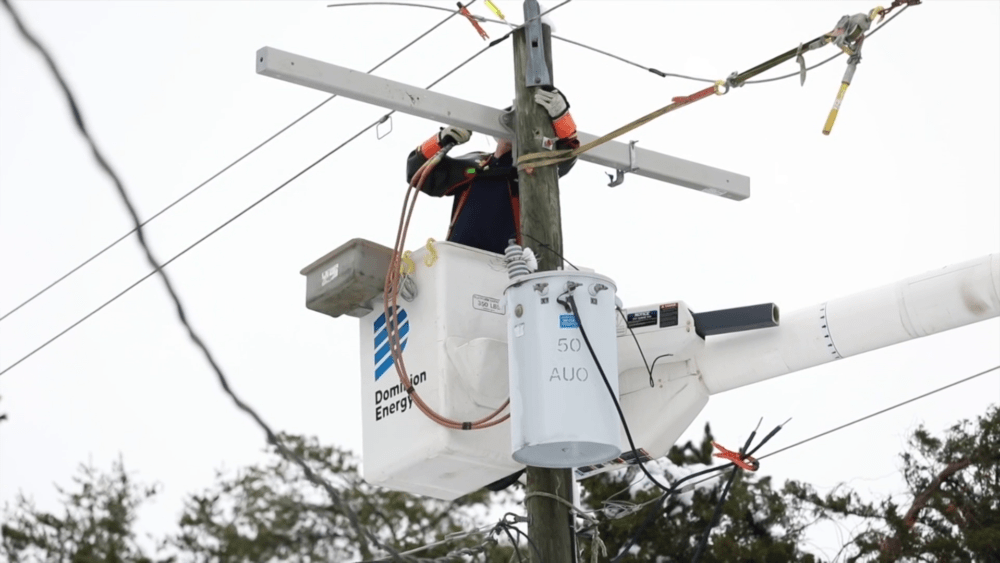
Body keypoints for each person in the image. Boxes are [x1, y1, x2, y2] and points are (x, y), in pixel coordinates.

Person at [405, 88, 580, 255]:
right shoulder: (475, 167)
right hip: (459, 263)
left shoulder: (535, 169)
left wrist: (562, 119)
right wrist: (442, 140)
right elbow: (417, 173)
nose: (520, 131)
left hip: (512, 269)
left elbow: (565, 156)